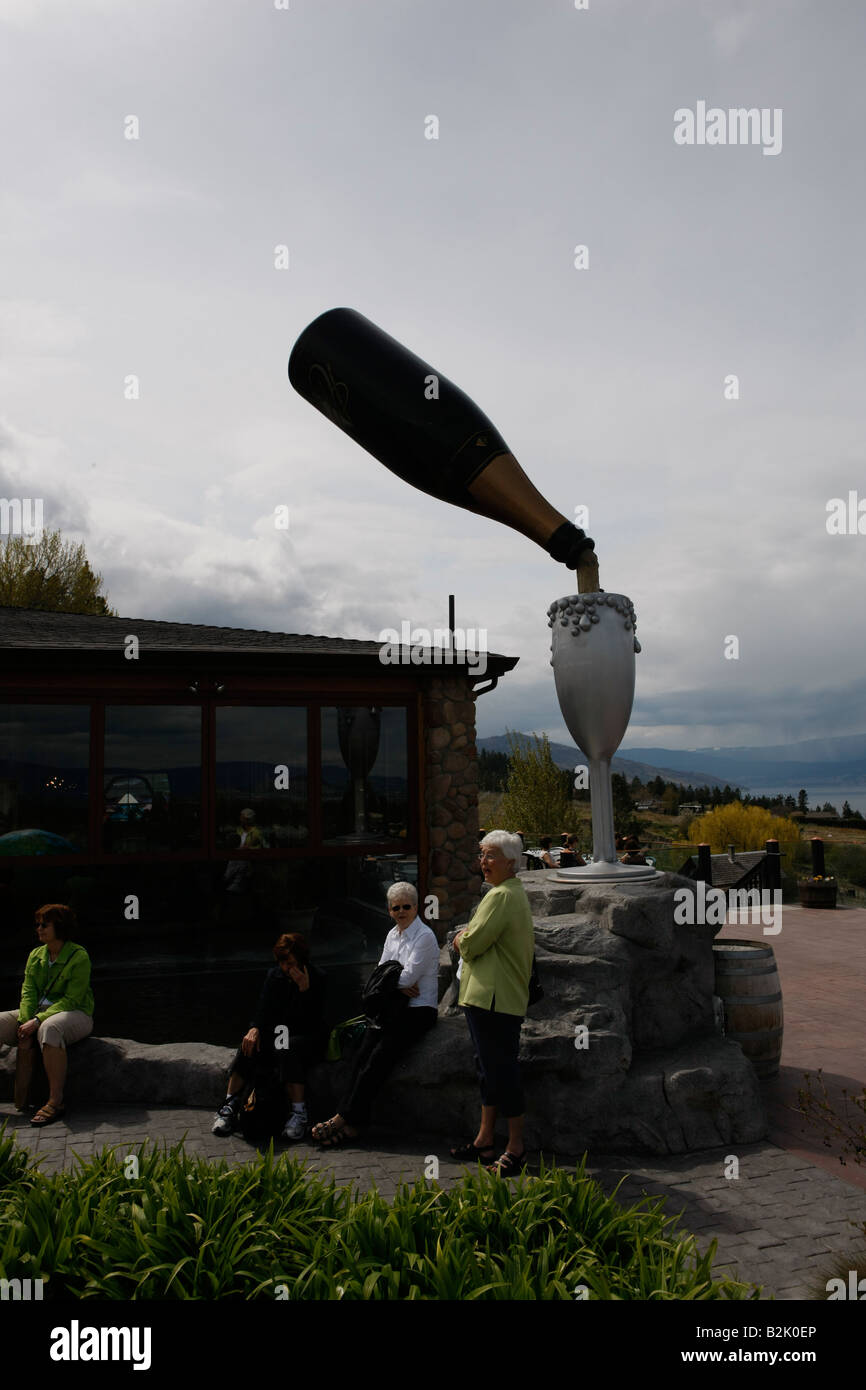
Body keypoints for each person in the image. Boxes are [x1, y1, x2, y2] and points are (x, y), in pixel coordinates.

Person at [311, 882, 438, 1147]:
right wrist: (394, 982)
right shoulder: (392, 934)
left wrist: (391, 980)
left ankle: (342, 1118)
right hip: (392, 1008)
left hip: (418, 1010)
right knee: (360, 1058)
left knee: (378, 1059)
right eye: (396, 907)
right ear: (389, 910)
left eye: (406, 906)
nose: (401, 912)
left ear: (416, 907)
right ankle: (355, 1125)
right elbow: (380, 975)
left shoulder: (425, 937)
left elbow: (405, 978)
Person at [450, 830, 534, 1176]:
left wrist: (459, 939)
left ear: (510, 863)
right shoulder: (510, 893)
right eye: (482, 854)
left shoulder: (501, 896)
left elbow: (473, 944)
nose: (483, 862)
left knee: (501, 1071)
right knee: (489, 1069)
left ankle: (516, 1148)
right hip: (490, 998)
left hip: (494, 1000)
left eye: (490, 856)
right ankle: (485, 1140)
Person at [212, 932, 326, 1141]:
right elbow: (263, 1010)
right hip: (280, 1034)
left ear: (301, 960)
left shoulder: (318, 977)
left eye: (290, 963)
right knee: (249, 1044)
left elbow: (314, 1021)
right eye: (282, 962)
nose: (285, 967)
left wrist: (304, 991)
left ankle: (299, 1113)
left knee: (288, 1048)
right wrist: (254, 1028)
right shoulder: (275, 976)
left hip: (307, 1037)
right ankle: (229, 1106)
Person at [0, 903, 94, 1126]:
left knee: (50, 1028)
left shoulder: (79, 956)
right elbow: (28, 992)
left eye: (44, 925)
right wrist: (24, 1021)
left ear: (59, 927)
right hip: (37, 1014)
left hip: (75, 1013)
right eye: (38, 924)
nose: (39, 929)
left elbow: (72, 999)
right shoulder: (36, 955)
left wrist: (37, 1021)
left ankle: (55, 1101)